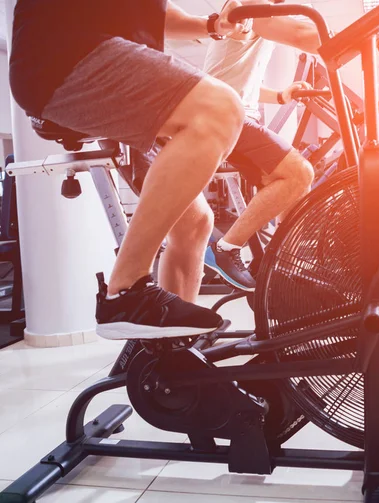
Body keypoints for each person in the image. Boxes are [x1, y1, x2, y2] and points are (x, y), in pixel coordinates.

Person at [9, 0, 255, 340]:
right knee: (220, 109)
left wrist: (212, 26)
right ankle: (126, 292)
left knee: (194, 222)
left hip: (90, 61)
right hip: (65, 57)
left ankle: (173, 350)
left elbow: (152, 13)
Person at [130, 0, 322, 292]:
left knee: (292, 187)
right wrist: (345, 40)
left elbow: (243, 80)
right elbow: (302, 34)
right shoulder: (251, 9)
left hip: (235, 113)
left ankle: (281, 266)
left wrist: (282, 96)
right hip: (226, 117)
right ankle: (229, 248)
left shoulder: (257, 18)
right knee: (299, 174)